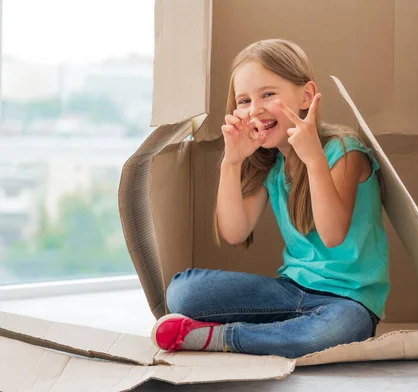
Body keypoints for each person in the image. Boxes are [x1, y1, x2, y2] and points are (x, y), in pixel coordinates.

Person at [151, 38, 390, 359]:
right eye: (244, 100)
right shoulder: (273, 165)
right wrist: (231, 162)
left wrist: (314, 160)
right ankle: (277, 330)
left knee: (336, 330)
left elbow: (333, 236)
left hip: (350, 301)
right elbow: (235, 232)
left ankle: (223, 337)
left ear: (306, 96)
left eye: (268, 95)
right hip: (289, 291)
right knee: (183, 292)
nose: (255, 109)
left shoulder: (344, 150)